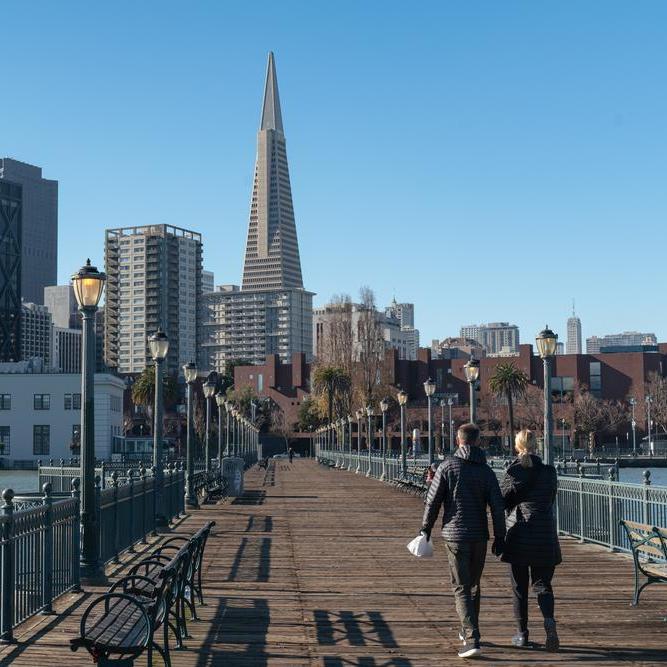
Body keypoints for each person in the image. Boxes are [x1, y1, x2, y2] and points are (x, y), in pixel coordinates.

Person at [420, 423, 505, 659]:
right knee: (473, 585)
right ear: (477, 442)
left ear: (459, 441)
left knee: (460, 587)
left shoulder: (447, 466)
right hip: (479, 536)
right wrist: (500, 536)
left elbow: (432, 501)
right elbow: (497, 507)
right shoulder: (486, 472)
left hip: (455, 536)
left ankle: (471, 637)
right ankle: (468, 629)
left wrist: (425, 529)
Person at [501, 429, 561, 651]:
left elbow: (502, 500)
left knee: (519, 587)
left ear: (517, 446)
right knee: (543, 584)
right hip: (544, 534)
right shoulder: (549, 472)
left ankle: (522, 634)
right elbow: (551, 498)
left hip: (519, 533)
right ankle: (549, 622)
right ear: (537, 446)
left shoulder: (513, 471)